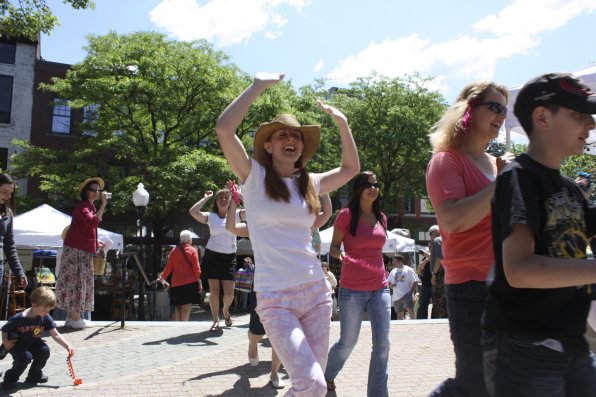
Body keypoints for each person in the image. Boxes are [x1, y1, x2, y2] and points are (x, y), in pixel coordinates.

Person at [216, 72, 359, 396]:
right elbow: (224, 129)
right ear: (268, 144)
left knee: (312, 384)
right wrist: (257, 87)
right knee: (312, 384)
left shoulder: (309, 183)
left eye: (296, 135)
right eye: (282, 134)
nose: (290, 139)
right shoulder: (253, 176)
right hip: (276, 298)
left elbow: (350, 169)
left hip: (316, 294)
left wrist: (343, 124)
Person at [483, 72, 596, 396]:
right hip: (524, 345)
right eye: (579, 114)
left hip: (569, 340)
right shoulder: (519, 179)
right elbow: (519, 270)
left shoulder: (572, 191)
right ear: (543, 117)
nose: (590, 124)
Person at [426, 81, 513, 397]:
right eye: (495, 107)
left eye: (505, 109)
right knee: (474, 384)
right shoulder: (446, 160)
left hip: (508, 284)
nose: (502, 115)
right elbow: (452, 220)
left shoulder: (494, 164)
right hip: (471, 287)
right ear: (468, 110)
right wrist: (501, 184)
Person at [325, 171, 391, 397]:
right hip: (352, 289)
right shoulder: (345, 215)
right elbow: (334, 247)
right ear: (359, 188)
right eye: (368, 184)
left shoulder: (382, 217)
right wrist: (340, 256)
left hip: (380, 287)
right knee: (347, 341)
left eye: (376, 184)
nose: (373, 188)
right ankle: (325, 375)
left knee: (382, 345)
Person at [189, 188, 244, 332]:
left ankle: (225, 311)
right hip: (212, 255)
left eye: (226, 198)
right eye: (220, 198)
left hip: (229, 256)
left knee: (229, 294)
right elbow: (193, 212)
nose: (223, 200)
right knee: (214, 291)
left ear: (230, 200)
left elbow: (254, 211)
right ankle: (215, 320)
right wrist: (205, 197)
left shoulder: (237, 214)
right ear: (216, 202)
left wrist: (240, 196)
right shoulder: (210, 216)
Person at [56, 177, 108, 329]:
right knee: (77, 281)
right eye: (92, 189)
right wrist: (104, 205)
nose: (96, 192)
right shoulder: (83, 206)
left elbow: (87, 230)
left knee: (77, 281)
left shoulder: (88, 207)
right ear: (85, 192)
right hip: (76, 251)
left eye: (97, 190)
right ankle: (75, 317)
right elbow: (92, 222)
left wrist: (95, 243)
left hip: (79, 249)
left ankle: (72, 318)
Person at [1, 286, 75, 390]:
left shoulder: (45, 317)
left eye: (49, 310)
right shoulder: (19, 318)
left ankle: (34, 375)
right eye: (45, 310)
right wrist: (5, 341)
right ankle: (10, 379)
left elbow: (55, 334)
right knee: (25, 357)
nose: (47, 312)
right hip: (19, 345)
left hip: (34, 343)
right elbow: (5, 330)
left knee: (44, 350)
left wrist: (67, 345)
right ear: (34, 305)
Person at [158, 230, 202, 321]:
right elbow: (196, 268)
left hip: (176, 284)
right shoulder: (193, 250)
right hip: (189, 284)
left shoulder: (174, 251)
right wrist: (200, 282)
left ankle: (178, 325)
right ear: (189, 240)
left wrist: (162, 278)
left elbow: (168, 267)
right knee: (186, 306)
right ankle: (184, 327)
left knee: (177, 307)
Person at [0, 173, 28, 289]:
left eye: (10, 193)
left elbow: (10, 245)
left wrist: (19, 273)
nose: (8, 196)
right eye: (4, 192)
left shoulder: (8, 213)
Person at [388, 254, 418, 320]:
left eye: (394, 261)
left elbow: (415, 282)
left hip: (406, 295)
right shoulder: (393, 271)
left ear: (400, 261)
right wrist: (391, 285)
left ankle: (415, 325)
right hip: (396, 296)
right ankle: (401, 328)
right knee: (399, 314)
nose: (393, 263)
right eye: (393, 261)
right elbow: (389, 282)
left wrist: (410, 293)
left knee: (411, 312)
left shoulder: (409, 270)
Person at [428, 225, 447, 319]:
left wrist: (434, 275)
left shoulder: (437, 240)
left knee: (438, 300)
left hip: (440, 275)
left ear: (434, 232)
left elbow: (439, 259)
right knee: (444, 299)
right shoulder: (446, 239)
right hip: (447, 274)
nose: (430, 238)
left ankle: (438, 320)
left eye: (430, 235)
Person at [416, 247, 432, 319]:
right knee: (423, 305)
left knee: (437, 304)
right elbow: (419, 269)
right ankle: (421, 320)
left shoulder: (437, 257)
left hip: (435, 285)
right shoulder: (425, 260)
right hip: (425, 285)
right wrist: (427, 259)